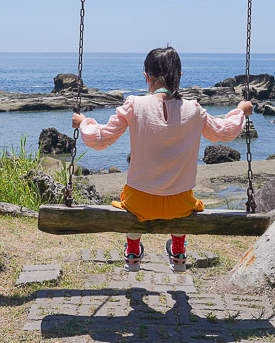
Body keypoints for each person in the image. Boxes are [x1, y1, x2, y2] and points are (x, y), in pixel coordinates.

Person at [72, 46, 253, 272]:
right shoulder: (194, 110)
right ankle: (178, 251)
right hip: (180, 204)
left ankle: (133, 251)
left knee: (129, 199)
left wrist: (83, 123)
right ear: (180, 77)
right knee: (184, 195)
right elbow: (224, 132)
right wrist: (240, 111)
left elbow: (99, 139)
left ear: (147, 77)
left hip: (139, 203)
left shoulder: (134, 105)